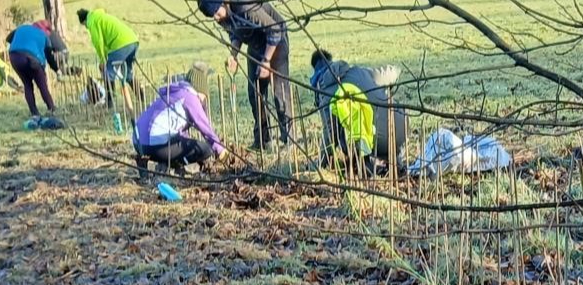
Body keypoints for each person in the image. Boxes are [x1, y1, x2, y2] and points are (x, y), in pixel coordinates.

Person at [198, 0, 291, 151]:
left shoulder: (245, 7)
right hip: (256, 44)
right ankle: (263, 140)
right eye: (212, 16)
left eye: (216, 12)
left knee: (280, 94)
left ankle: (289, 140)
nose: (215, 18)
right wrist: (233, 54)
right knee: (254, 93)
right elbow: (235, 33)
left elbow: (274, 30)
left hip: (276, 42)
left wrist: (266, 61)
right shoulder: (223, 16)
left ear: (224, 3)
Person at [309, 48, 408, 175]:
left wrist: (321, 164)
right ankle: (395, 162)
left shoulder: (325, 91)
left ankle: (365, 165)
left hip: (374, 140)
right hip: (401, 131)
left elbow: (330, 136)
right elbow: (391, 73)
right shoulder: (358, 71)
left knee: (344, 129)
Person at [133, 63, 226, 177]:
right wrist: (220, 149)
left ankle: (153, 164)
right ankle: (171, 168)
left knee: (183, 144)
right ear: (200, 90)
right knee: (205, 149)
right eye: (204, 97)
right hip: (155, 144)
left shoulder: (175, 93)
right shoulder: (190, 97)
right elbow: (204, 127)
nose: (204, 102)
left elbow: (176, 131)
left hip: (139, 142)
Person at [76, 8, 138, 117]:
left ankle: (109, 103)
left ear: (84, 21)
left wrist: (102, 60)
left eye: (85, 25)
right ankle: (141, 96)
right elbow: (105, 42)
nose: (86, 27)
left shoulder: (92, 21)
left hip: (120, 44)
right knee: (127, 74)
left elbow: (98, 42)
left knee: (108, 74)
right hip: (133, 40)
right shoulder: (101, 16)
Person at [5, 23, 60, 119]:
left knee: (27, 84)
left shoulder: (22, 27)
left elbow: (8, 38)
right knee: (42, 86)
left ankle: (34, 112)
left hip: (15, 56)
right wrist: (56, 69)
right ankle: (51, 108)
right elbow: (49, 57)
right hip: (33, 58)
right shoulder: (45, 37)